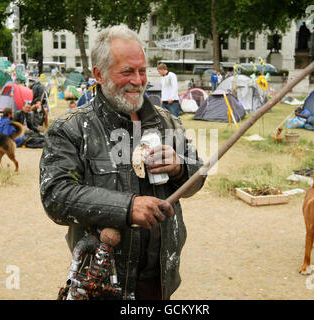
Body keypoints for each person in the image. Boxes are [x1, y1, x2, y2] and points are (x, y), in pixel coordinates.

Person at [39, 25, 205, 300]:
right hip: (102, 282)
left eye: (142, 71)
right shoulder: (71, 128)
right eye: (127, 71)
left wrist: (180, 167)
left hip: (159, 282)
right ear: (99, 74)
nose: (138, 80)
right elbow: (56, 196)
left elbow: (198, 178)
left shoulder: (167, 121)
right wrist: (127, 208)